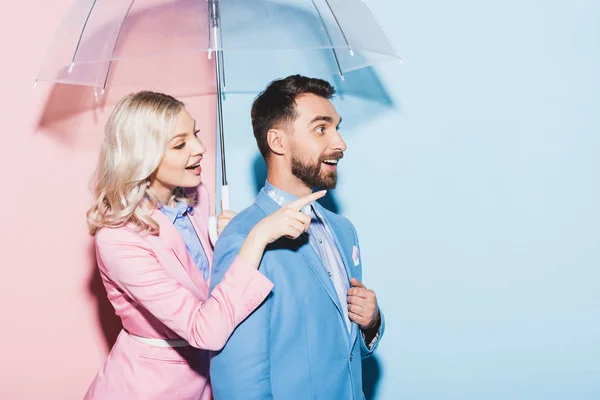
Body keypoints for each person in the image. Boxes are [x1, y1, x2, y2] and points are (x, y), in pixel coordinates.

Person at [83, 90, 325, 400]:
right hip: (148, 389)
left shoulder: (198, 198)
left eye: (195, 134)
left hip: (211, 381)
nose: (200, 148)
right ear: (141, 156)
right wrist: (256, 237)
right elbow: (203, 329)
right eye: (180, 144)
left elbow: (208, 285)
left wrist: (228, 242)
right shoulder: (117, 240)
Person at [209, 75, 385, 399]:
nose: (340, 143)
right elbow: (238, 383)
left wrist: (370, 323)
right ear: (278, 142)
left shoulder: (344, 231)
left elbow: (339, 348)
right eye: (321, 129)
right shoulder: (243, 241)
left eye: (337, 127)